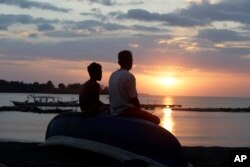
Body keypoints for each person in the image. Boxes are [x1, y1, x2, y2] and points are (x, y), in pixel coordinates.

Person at [108, 50, 160, 124]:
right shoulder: (129, 76)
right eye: (131, 60)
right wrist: (140, 112)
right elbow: (134, 99)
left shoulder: (113, 75)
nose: (131, 62)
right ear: (130, 62)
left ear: (119, 63)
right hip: (125, 111)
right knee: (156, 120)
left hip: (113, 111)